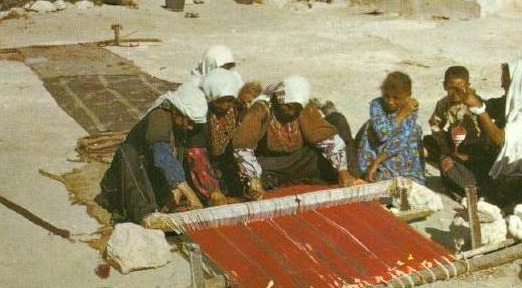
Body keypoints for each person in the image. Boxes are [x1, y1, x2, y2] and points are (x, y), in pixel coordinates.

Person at [97, 80, 211, 224]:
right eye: (189, 122)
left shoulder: (182, 125)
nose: (190, 127)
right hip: (128, 182)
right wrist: (190, 195)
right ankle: (144, 215)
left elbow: (179, 159)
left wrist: (176, 192)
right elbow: (163, 157)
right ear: (176, 111)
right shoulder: (159, 117)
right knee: (127, 152)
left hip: (153, 180)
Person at [231, 76, 359, 199]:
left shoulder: (303, 108)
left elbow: (325, 138)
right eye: (287, 106)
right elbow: (243, 146)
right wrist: (253, 177)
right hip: (273, 163)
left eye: (295, 109)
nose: (291, 112)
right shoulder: (261, 108)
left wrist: (343, 170)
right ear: (279, 99)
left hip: (298, 159)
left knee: (336, 122)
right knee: (247, 180)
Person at [457, 59, 522, 205]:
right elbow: (490, 105)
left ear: (521, 84)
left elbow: (500, 140)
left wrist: (479, 110)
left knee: (452, 165)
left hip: (518, 180)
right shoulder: (515, 104)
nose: (502, 85)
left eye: (506, 80)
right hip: (504, 167)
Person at [423, 65, 500, 197]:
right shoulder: (443, 104)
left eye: (460, 87)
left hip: (477, 147)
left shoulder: (474, 102)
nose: (455, 92)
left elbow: (487, 132)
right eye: (451, 88)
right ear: (444, 86)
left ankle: (471, 187)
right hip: (456, 142)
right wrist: (445, 148)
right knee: (429, 143)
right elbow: (436, 125)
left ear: (468, 85)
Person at [188, 68, 252, 201]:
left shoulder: (237, 110)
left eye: (229, 101)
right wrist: (213, 190)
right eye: (219, 101)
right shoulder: (201, 114)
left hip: (225, 163)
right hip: (203, 164)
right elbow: (197, 153)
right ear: (210, 97)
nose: (224, 106)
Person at [356, 71, 425, 185]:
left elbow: (401, 140)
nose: (390, 101)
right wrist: (401, 115)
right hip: (375, 150)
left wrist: (377, 162)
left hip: (392, 154)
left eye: (396, 98)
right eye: (387, 96)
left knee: (414, 131)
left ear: (407, 96)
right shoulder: (376, 104)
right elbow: (383, 134)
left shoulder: (410, 107)